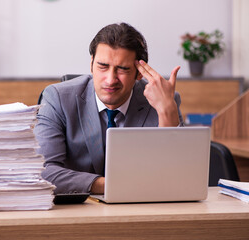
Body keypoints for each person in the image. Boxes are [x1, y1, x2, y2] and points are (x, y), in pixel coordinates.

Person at [34, 22, 184, 194]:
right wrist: (112, 186)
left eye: (122, 69)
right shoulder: (57, 98)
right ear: (91, 64)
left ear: (139, 72)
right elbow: (43, 172)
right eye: (103, 67)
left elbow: (178, 173)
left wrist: (167, 111)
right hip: (79, 210)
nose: (110, 79)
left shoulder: (162, 101)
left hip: (142, 209)